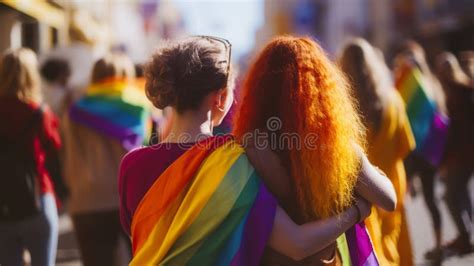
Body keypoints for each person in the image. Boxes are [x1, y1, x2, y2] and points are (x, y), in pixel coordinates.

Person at [119, 36, 391, 265]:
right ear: (221, 98)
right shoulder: (233, 163)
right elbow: (297, 244)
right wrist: (355, 212)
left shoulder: (131, 165)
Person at [233, 36, 396, 265]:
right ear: (322, 92)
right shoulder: (338, 152)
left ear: (259, 91)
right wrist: (358, 208)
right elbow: (389, 200)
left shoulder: (249, 150)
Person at [62, 53, 150, 265]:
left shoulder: (74, 110)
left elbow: (64, 151)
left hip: (85, 200)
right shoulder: (138, 107)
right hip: (129, 200)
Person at [339, 38, 416, 266]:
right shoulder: (393, 99)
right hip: (392, 184)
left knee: (373, 250)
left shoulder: (344, 108)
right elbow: (406, 146)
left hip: (363, 192)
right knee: (395, 242)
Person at [0, 48, 62, 266]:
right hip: (38, 198)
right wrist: (63, 193)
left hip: (3, 204)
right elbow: (55, 156)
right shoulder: (40, 113)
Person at [393, 41, 447, 260]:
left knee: (399, 196)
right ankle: (438, 244)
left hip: (415, 151)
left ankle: (401, 246)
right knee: (430, 198)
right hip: (430, 151)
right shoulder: (432, 83)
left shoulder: (414, 83)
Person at [435, 52, 474, 256]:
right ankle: (465, 235)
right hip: (467, 154)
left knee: (450, 196)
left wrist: (443, 158)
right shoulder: (466, 88)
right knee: (462, 193)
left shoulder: (455, 94)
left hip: (461, 155)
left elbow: (455, 132)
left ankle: (465, 237)